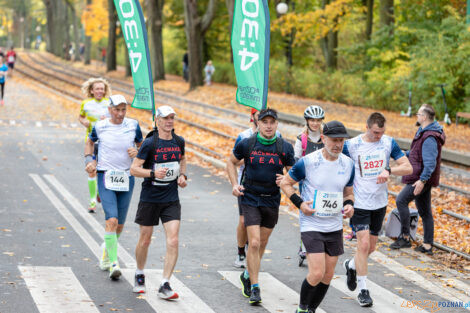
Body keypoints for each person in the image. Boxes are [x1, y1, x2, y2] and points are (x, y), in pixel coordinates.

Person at [281, 120, 355, 313]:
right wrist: (300, 204)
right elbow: (286, 183)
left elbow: (348, 193)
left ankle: (311, 309)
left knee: (328, 275)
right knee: (316, 272)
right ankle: (302, 309)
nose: (338, 145)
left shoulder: (348, 164)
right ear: (323, 139)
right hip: (311, 223)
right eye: (334, 140)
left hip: (334, 226)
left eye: (342, 141)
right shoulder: (308, 162)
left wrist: (349, 206)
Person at [341, 112, 412, 307]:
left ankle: (352, 265)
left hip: (379, 203)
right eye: (375, 133)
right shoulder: (352, 145)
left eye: (381, 132)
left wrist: (389, 170)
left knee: (371, 247)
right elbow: (341, 168)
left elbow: (408, 168)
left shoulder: (388, 143)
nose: (378, 136)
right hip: (359, 203)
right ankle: (364, 290)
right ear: (367, 127)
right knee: (363, 246)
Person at [226, 108, 295, 305]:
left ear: (276, 124)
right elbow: (231, 163)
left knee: (262, 243)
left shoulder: (284, 147)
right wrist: (234, 185)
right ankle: (255, 287)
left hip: (271, 199)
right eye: (264, 122)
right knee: (254, 243)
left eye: (272, 122)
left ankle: (247, 274)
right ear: (258, 123)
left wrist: (287, 179)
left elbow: (294, 173)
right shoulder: (247, 143)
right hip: (250, 196)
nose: (268, 125)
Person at [130, 105, 187, 298]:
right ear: (157, 120)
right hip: (150, 198)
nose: (169, 121)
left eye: (172, 117)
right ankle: (139, 273)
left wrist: (183, 176)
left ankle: (165, 283)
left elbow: (183, 159)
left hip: (171, 198)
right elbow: (134, 169)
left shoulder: (179, 141)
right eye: (165, 118)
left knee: (173, 240)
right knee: (145, 240)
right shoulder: (149, 143)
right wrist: (153, 173)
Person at [85, 94, 143, 280]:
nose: (120, 113)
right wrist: (89, 160)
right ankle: (113, 263)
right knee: (111, 220)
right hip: (105, 176)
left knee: (119, 225)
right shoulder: (100, 126)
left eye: (123, 109)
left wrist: (138, 151)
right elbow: (90, 142)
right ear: (109, 109)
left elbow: (144, 147)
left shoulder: (133, 125)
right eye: (116, 109)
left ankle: (105, 252)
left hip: (126, 177)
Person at [390, 104, 446, 254]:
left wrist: (422, 181)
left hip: (420, 178)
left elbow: (430, 162)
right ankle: (427, 245)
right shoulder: (424, 132)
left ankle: (405, 237)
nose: (417, 116)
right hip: (420, 177)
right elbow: (416, 152)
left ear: (424, 117)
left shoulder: (429, 137)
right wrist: (403, 154)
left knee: (401, 200)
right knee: (425, 211)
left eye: (418, 114)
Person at [231, 108, 281, 268]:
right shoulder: (244, 137)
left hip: (269, 193)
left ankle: (252, 255)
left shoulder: (278, 138)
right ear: (254, 118)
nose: (267, 124)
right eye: (261, 118)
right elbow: (234, 160)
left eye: (271, 122)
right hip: (245, 186)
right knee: (243, 221)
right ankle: (241, 251)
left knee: (259, 239)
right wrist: (252, 158)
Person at [294, 105, 325, 264]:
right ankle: (304, 245)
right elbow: (296, 159)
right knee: (306, 211)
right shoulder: (302, 138)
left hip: (324, 180)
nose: (315, 123)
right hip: (307, 181)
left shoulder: (325, 137)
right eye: (312, 120)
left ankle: (320, 241)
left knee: (322, 211)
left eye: (317, 120)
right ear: (307, 121)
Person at [79, 78, 112, 213]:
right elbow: (80, 117)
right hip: (91, 142)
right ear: (92, 91)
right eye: (97, 89)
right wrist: (84, 122)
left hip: (106, 142)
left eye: (102, 89)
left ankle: (99, 192)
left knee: (103, 171)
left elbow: (117, 119)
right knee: (92, 169)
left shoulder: (110, 103)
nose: (100, 91)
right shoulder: (85, 103)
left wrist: (109, 120)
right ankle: (92, 200)